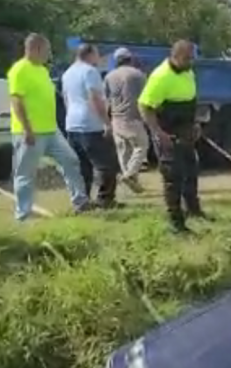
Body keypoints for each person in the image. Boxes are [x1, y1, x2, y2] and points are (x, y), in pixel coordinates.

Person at [7, 33, 90, 221]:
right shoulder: (19, 70)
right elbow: (16, 101)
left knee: (70, 160)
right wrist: (27, 129)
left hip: (51, 130)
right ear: (35, 49)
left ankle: (81, 202)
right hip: (29, 132)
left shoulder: (42, 70)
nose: (48, 54)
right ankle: (23, 216)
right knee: (26, 174)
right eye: (47, 50)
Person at [138, 40, 208, 234]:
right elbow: (144, 106)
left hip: (186, 130)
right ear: (175, 57)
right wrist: (158, 133)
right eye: (187, 58)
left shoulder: (188, 72)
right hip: (167, 132)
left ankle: (194, 210)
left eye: (192, 58)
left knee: (191, 171)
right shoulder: (161, 76)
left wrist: (195, 124)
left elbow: (191, 100)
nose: (190, 62)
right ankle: (176, 222)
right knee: (173, 176)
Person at [62, 43, 122, 209]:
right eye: (97, 54)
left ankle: (83, 200)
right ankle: (105, 199)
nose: (98, 57)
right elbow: (94, 98)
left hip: (72, 123)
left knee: (82, 166)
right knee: (107, 164)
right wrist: (106, 123)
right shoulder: (90, 71)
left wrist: (70, 117)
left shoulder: (67, 73)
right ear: (89, 54)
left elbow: (66, 99)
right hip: (90, 124)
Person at [104, 47, 149, 193]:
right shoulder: (138, 75)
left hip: (116, 118)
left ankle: (132, 183)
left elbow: (107, 100)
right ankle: (129, 175)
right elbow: (146, 96)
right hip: (132, 117)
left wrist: (106, 121)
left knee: (124, 151)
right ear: (130, 59)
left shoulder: (109, 76)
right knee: (141, 146)